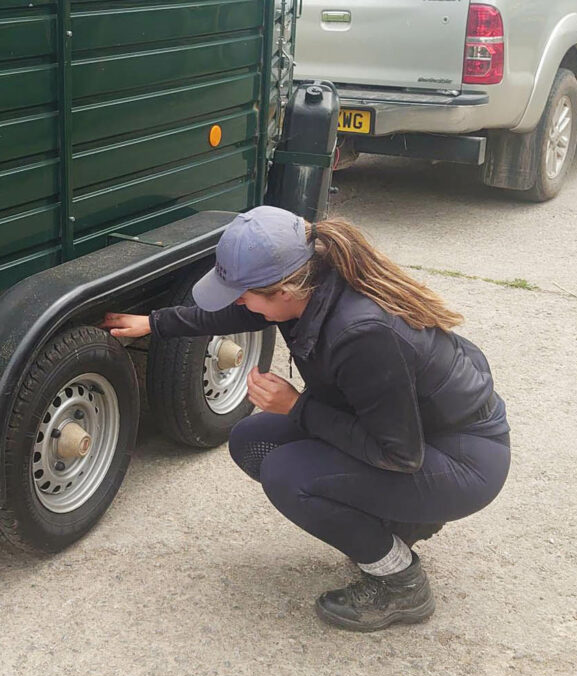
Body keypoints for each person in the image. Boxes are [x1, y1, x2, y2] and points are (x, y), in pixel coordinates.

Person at [101, 206, 510, 632]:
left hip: (459, 459)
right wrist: (154, 323)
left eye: (244, 293)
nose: (240, 302)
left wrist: (297, 407)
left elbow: (399, 454)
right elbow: (233, 312)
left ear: (284, 290)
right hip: (413, 430)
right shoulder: (314, 283)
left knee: (287, 473)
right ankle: (398, 519)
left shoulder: (362, 333)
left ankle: (401, 582)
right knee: (252, 440)